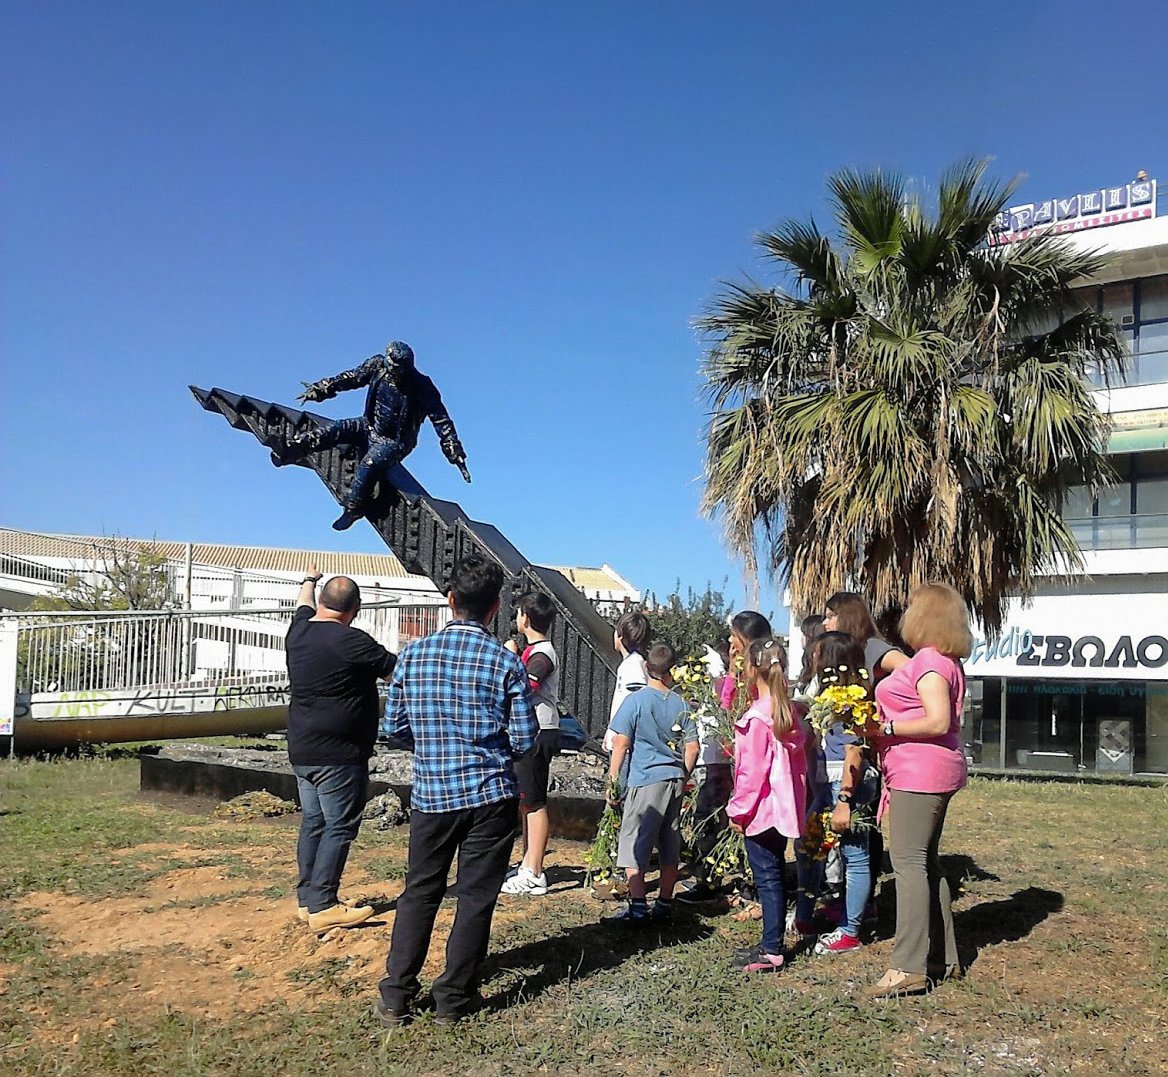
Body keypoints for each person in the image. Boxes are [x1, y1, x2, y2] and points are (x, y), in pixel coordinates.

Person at [376, 555, 538, 1026]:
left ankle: (396, 995)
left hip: (432, 794)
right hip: (490, 795)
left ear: (451, 601)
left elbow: (394, 728)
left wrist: (432, 744)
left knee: (419, 893)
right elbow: (525, 740)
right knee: (475, 898)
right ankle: (452, 998)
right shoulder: (505, 662)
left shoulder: (412, 656)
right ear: (494, 609)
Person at [865, 583, 972, 998]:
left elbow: (937, 721)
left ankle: (907, 966)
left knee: (908, 864)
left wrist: (885, 728)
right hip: (931, 771)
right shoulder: (945, 661)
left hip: (920, 773)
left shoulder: (928, 661)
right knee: (927, 864)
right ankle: (941, 958)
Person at [286, 566, 396, 932]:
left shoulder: (299, 631)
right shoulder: (353, 642)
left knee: (314, 823)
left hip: (302, 749)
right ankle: (324, 904)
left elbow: (302, 603)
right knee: (340, 826)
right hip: (340, 754)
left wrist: (309, 579)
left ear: (321, 603)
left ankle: (308, 899)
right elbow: (397, 672)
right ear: (356, 608)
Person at [272, 341, 470, 531]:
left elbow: (441, 419)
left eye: (397, 370)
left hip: (394, 442)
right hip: (368, 425)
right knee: (334, 429)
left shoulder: (422, 386)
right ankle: (290, 451)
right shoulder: (377, 365)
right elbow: (351, 378)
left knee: (369, 465)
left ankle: (353, 510)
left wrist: (453, 450)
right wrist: (323, 388)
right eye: (389, 366)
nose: (392, 372)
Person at [725, 638, 809, 973]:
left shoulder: (757, 718)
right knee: (773, 873)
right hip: (783, 809)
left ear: (750, 669)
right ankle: (770, 941)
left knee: (768, 878)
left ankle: (772, 948)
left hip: (760, 811)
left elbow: (750, 772)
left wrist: (738, 810)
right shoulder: (787, 712)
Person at [678, 611, 773, 906]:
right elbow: (726, 704)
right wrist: (732, 670)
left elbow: (740, 708)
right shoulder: (735, 669)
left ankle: (751, 883)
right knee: (707, 816)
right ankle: (708, 879)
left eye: (734, 635)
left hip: (748, 760)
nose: (729, 640)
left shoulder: (765, 669)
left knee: (749, 821)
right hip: (722, 757)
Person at [604, 643, 699, 927]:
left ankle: (637, 909)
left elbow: (621, 744)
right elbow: (692, 747)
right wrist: (682, 776)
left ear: (647, 668)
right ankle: (665, 904)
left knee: (635, 844)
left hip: (645, 779)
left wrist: (613, 782)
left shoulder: (636, 701)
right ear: (672, 672)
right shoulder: (681, 703)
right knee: (670, 842)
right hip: (673, 780)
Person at [806, 631, 879, 955]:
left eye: (818, 654)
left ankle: (850, 930)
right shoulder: (826, 696)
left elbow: (854, 753)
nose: (812, 658)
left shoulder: (853, 701)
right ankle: (807, 917)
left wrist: (845, 801)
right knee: (810, 848)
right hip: (826, 782)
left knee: (855, 855)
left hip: (845, 784)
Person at [501, 592, 560, 896]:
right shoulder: (536, 649)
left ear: (525, 617)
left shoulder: (543, 653)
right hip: (530, 730)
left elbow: (527, 685)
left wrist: (509, 658)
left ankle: (535, 872)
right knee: (526, 800)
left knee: (534, 801)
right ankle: (527, 863)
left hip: (539, 731)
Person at [823, 592, 910, 684]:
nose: (824, 623)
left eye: (830, 616)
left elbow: (912, 670)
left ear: (849, 617)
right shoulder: (842, 650)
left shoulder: (873, 647)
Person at [602, 611, 650, 752]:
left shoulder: (633, 665)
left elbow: (634, 705)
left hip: (625, 745)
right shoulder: (632, 662)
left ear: (620, 636)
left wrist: (617, 736)